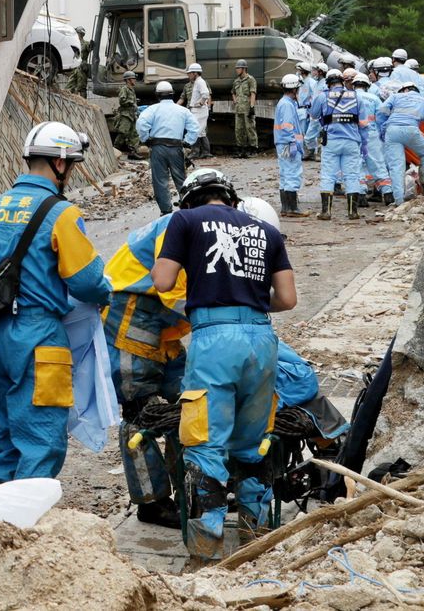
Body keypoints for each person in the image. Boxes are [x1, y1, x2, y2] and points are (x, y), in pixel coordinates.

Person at [152, 169, 298, 561]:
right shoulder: (266, 230)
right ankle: (256, 537)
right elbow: (286, 299)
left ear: (189, 201)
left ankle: (207, 547)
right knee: (253, 442)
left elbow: (163, 281)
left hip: (215, 339)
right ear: (230, 199)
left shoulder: (184, 220)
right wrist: (244, 298)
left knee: (203, 440)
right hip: (262, 340)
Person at [0, 123, 109, 483]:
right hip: (38, 337)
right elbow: (86, 281)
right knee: (40, 442)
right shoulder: (61, 213)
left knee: (5, 438)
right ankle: (25, 528)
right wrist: (106, 292)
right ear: (62, 163)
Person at [102, 213, 188, 526]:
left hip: (160, 325)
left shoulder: (194, 224)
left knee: (188, 403)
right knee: (141, 413)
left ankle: (190, 488)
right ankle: (151, 502)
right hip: (132, 319)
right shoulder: (178, 228)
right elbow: (175, 292)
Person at [310, 68, 367, 220]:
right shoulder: (356, 97)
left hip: (332, 142)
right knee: (352, 175)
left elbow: (314, 115)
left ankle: (326, 212)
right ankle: (352, 212)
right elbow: (363, 123)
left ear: (328, 83)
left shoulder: (323, 96)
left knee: (328, 175)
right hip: (352, 142)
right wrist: (365, 144)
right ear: (342, 82)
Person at [138, 83, 200, 215]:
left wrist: (146, 138)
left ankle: (166, 211)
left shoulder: (152, 109)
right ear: (172, 94)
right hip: (176, 148)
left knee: (160, 180)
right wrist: (188, 142)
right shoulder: (182, 110)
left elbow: (142, 123)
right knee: (181, 179)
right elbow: (195, 127)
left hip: (157, 148)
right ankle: (188, 207)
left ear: (157, 95)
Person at [352, 72, 394, 205]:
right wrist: (382, 135)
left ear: (354, 85)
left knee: (357, 164)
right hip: (372, 134)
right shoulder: (374, 98)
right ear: (367, 85)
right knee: (378, 163)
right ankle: (387, 194)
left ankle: (361, 196)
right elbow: (382, 117)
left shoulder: (350, 97)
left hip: (355, 135)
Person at [273, 74, 305, 216]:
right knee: (292, 173)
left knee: (285, 174)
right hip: (288, 143)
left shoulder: (284, 102)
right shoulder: (287, 104)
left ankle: (286, 208)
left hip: (283, 143)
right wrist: (293, 142)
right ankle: (292, 208)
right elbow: (287, 126)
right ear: (294, 89)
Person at [184, 63, 214, 158]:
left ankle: (195, 152)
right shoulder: (198, 81)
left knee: (194, 130)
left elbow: (205, 94)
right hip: (198, 110)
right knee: (201, 132)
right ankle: (206, 152)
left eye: (190, 73)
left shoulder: (200, 82)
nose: (188, 75)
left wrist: (200, 103)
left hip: (198, 110)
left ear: (195, 73)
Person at [113, 71, 143, 159]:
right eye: (133, 78)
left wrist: (135, 103)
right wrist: (131, 102)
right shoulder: (124, 89)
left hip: (132, 114)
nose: (135, 80)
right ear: (128, 80)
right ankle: (114, 151)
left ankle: (133, 153)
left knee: (134, 134)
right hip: (125, 115)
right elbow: (122, 100)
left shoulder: (131, 89)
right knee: (123, 133)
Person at [232, 60, 257, 158]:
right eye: (236, 68)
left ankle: (253, 149)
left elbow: (253, 93)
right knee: (238, 130)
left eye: (238, 68)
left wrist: (252, 107)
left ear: (244, 69)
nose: (236, 70)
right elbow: (233, 92)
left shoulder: (250, 79)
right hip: (238, 109)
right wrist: (235, 101)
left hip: (247, 109)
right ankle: (241, 150)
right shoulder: (236, 81)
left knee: (250, 129)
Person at [301, 62, 327, 158]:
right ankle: (312, 152)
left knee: (320, 134)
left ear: (320, 72)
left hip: (321, 114)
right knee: (309, 136)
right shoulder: (316, 83)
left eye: (316, 70)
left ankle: (318, 153)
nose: (314, 72)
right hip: (314, 113)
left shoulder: (325, 84)